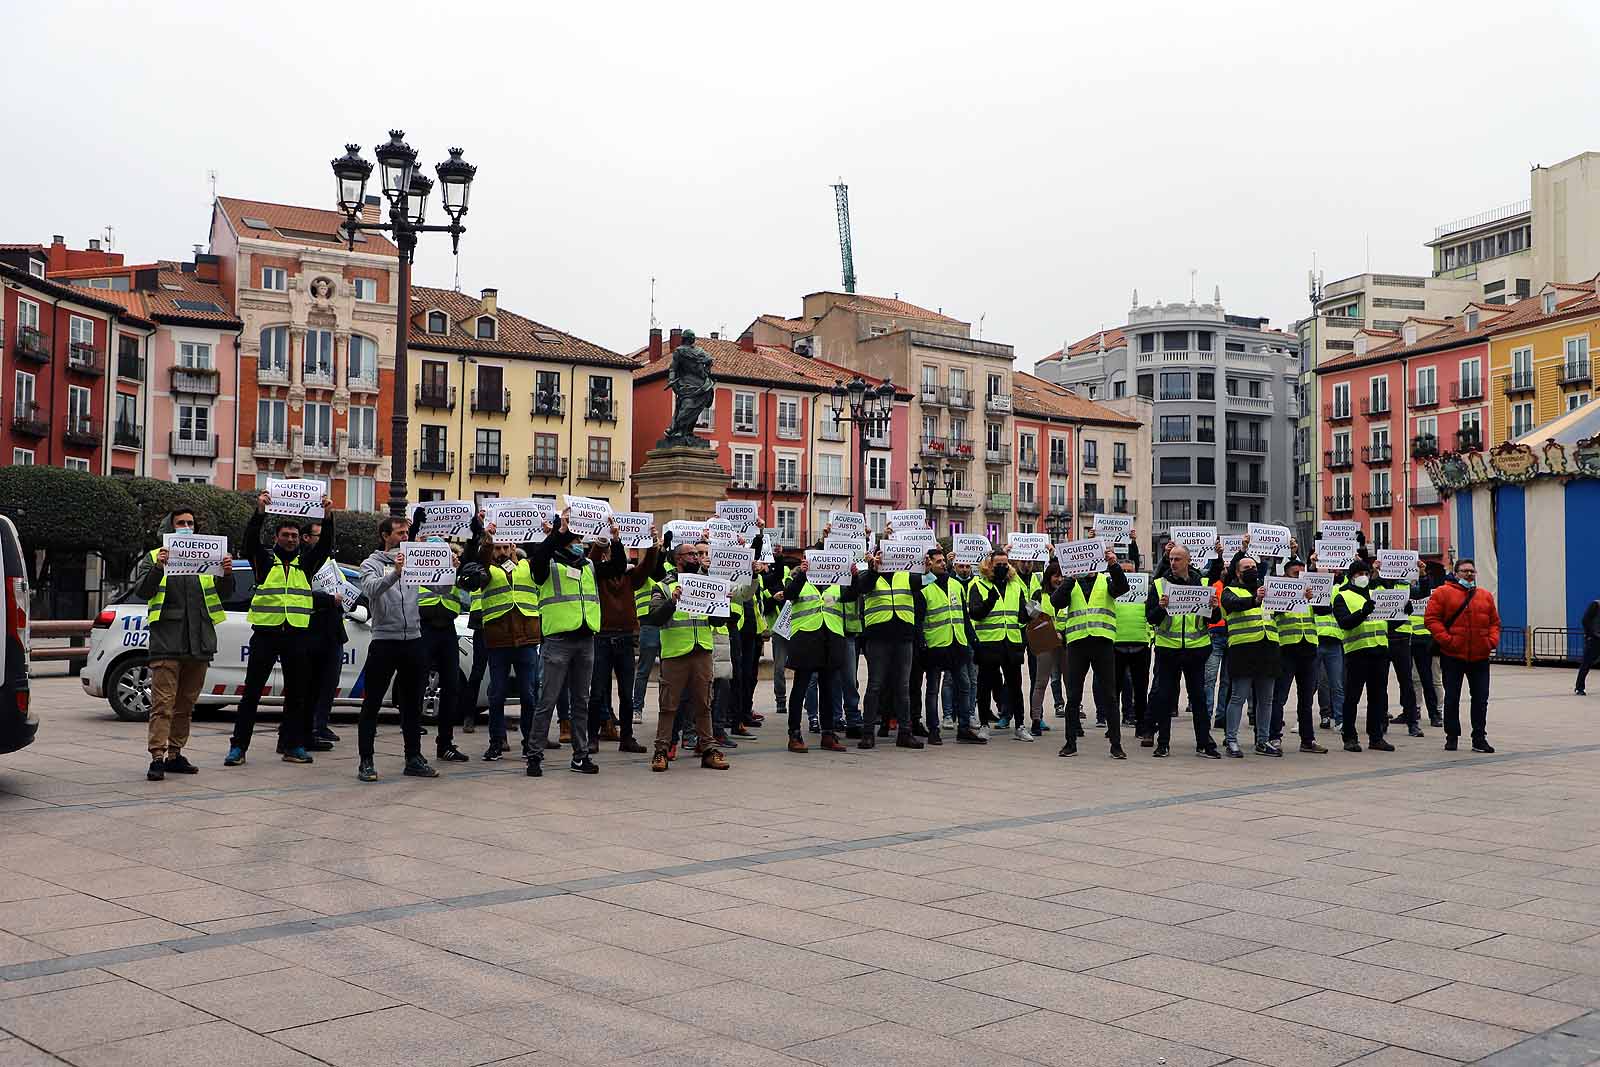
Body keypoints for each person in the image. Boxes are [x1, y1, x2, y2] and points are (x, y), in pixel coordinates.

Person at [225, 490, 334, 767]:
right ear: (276, 538)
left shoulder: (306, 564)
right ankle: (238, 747)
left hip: (297, 635)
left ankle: (292, 744)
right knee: (251, 693)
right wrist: (260, 512)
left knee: (297, 694)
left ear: (300, 540)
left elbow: (324, 546)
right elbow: (250, 541)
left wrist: (328, 515)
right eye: (285, 535)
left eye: (295, 536)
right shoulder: (264, 561)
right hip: (266, 634)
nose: (290, 539)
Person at [132, 506, 235, 780]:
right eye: (181, 523)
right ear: (170, 527)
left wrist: (227, 573)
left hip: (198, 642)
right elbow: (143, 591)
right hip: (167, 642)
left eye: (190, 522)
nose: (186, 526)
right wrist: (158, 567)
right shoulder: (154, 557)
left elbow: (225, 593)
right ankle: (157, 757)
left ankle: (175, 754)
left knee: (186, 705)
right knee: (162, 704)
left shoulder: (208, 556)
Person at [354, 512, 440, 782]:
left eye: (406, 533)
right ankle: (366, 761)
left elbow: (442, 592)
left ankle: (413, 757)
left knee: (412, 704)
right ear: (385, 536)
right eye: (400, 533)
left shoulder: (415, 558)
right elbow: (370, 590)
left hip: (413, 639)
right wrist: (395, 574)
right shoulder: (372, 563)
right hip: (384, 640)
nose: (405, 537)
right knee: (373, 703)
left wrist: (449, 569)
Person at [642, 541, 730, 772]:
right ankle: (661, 750)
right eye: (691, 554)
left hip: (701, 649)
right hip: (675, 653)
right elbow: (654, 619)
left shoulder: (707, 583)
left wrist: (723, 604)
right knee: (668, 705)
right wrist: (672, 602)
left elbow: (718, 621)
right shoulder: (663, 586)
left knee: (703, 704)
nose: (697, 557)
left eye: (697, 554)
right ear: (678, 559)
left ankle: (708, 748)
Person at [527, 511, 601, 777]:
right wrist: (560, 531)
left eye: (579, 537)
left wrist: (613, 539)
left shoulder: (588, 565)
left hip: (585, 638)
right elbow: (541, 556)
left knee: (581, 700)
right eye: (573, 538)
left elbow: (616, 568)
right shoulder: (547, 564)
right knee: (547, 701)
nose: (576, 542)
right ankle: (534, 755)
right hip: (558, 639)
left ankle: (580, 756)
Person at [415, 512, 486, 766]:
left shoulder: (455, 567)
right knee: (416, 687)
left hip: (446, 630)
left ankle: (445, 744)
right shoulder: (417, 566)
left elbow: (471, 557)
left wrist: (475, 530)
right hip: (422, 628)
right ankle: (413, 748)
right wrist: (416, 527)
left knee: (452, 688)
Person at [1051, 544, 1129, 758]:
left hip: (1102, 642)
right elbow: (1056, 601)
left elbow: (1123, 588)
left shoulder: (1106, 580)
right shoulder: (1072, 583)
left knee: (1110, 696)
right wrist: (1070, 578)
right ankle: (1070, 743)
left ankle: (1116, 745)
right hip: (1077, 644)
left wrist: (1114, 565)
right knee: (1073, 695)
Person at [588, 522, 657, 755]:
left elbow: (647, 566)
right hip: (602, 637)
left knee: (626, 693)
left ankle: (627, 737)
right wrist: (603, 541)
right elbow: (593, 561)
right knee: (597, 691)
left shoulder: (630, 577)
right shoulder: (595, 574)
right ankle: (592, 738)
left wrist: (653, 545)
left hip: (626, 638)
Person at [1145, 542, 1218, 758]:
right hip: (1168, 651)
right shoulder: (1159, 585)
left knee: (1198, 699)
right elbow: (1150, 617)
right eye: (1171, 559)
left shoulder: (1203, 583)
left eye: (1178, 559)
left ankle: (1203, 743)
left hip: (1196, 650)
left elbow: (1214, 619)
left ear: (1188, 561)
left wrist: (1214, 608)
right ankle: (1163, 743)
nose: (1173, 563)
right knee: (1165, 698)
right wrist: (1161, 607)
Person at [477, 536, 542, 762]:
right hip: (498, 641)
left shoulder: (526, 566)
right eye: (497, 548)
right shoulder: (487, 570)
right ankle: (496, 743)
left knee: (529, 695)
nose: (501, 551)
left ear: (513, 547)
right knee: (497, 695)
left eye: (505, 547)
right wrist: (486, 544)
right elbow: (481, 565)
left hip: (526, 640)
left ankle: (529, 744)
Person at [1426, 557, 1499, 753]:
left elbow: (1495, 622)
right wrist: (1448, 641)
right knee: (1452, 697)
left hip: (1479, 656)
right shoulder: (1443, 593)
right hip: (1453, 655)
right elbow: (1431, 619)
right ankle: (1451, 736)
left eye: (1472, 571)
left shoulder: (1484, 595)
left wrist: (1490, 642)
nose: (1469, 574)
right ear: (1456, 573)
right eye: (1465, 571)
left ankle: (1479, 737)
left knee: (1481, 698)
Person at [855, 536, 921, 750]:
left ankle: (905, 732)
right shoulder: (869, 575)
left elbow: (925, 582)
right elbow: (861, 588)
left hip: (903, 636)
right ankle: (867, 733)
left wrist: (927, 567)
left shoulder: (907, 575)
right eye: (883, 553)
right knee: (875, 685)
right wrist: (874, 569)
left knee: (903, 687)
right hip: (878, 637)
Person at [780, 557, 849, 753]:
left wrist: (854, 575)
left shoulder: (835, 584)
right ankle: (794, 734)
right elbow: (789, 593)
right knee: (800, 688)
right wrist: (802, 573)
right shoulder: (800, 580)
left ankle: (828, 733)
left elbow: (852, 594)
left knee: (828, 689)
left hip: (830, 639)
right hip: (805, 640)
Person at [1218, 549, 1280, 757]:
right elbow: (1232, 605)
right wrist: (1255, 599)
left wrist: (1300, 597)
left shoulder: (1267, 591)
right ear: (1237, 573)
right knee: (1238, 696)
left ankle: (1263, 741)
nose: (1252, 570)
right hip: (1243, 650)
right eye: (1247, 568)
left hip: (1268, 648)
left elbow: (1283, 609)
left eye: (1254, 567)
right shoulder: (1230, 591)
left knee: (1266, 699)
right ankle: (1232, 740)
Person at [1334, 557, 1393, 753]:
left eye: (1366, 574)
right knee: (1352, 697)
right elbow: (1345, 623)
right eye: (1360, 574)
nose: (1364, 577)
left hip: (1379, 651)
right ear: (1351, 577)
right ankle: (1349, 737)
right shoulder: (1343, 596)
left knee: (1377, 697)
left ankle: (1376, 737)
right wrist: (1362, 612)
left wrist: (1401, 615)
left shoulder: (1377, 594)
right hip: (1357, 652)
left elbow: (1388, 624)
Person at [969, 549, 1029, 743]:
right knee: (985, 686)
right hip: (989, 642)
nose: (1002, 568)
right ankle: (985, 724)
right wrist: (989, 602)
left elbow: (1021, 614)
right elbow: (975, 613)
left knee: (1015, 686)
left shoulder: (1015, 586)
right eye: (998, 565)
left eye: (1005, 564)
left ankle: (1020, 725)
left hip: (1011, 642)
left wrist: (1032, 612)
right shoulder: (978, 585)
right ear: (990, 565)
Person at [1271, 556, 1327, 754]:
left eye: (1302, 573)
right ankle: (1274, 737)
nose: (1300, 576)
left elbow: (1324, 609)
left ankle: (1307, 739)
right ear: (1286, 574)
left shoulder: (1309, 590)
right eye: (1296, 573)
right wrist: (1290, 598)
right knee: (1280, 696)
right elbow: (1272, 612)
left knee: (1306, 699)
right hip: (1286, 648)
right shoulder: (1279, 591)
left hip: (1309, 648)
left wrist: (1315, 597)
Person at [300, 520, 346, 752]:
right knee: (309, 685)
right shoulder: (303, 562)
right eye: (318, 536)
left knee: (329, 682)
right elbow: (301, 594)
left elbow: (343, 587)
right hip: (311, 630)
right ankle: (303, 729)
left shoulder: (329, 563)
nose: (324, 543)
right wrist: (328, 599)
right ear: (306, 538)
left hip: (333, 631)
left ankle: (320, 724)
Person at [1027, 564, 1070, 741]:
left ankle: (1073, 721)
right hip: (1046, 642)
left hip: (1066, 643)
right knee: (1040, 682)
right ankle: (1036, 720)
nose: (1058, 579)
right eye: (1055, 576)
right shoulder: (1039, 594)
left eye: (1061, 576)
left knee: (1070, 683)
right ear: (1048, 577)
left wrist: (1064, 635)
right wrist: (1052, 632)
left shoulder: (1070, 594)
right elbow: (1029, 611)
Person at [1111, 560, 1152, 743]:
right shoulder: (1113, 590)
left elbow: (1150, 616)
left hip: (1140, 644)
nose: (1127, 573)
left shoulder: (1145, 592)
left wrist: (1149, 637)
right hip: (1117, 643)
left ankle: (1141, 725)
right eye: (1123, 571)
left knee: (1141, 688)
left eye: (1130, 571)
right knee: (1115, 688)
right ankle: (1113, 726)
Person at [1577, 595, 1600, 696]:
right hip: (1594, 639)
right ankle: (1579, 687)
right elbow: (1585, 620)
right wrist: (1590, 634)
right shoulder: (1596, 605)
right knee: (1586, 664)